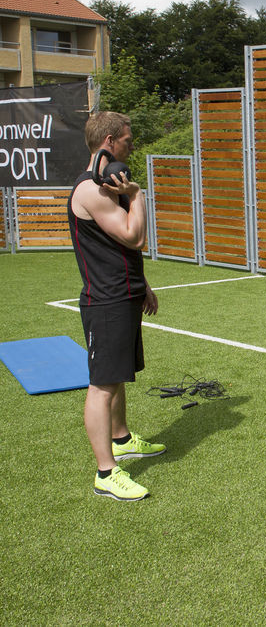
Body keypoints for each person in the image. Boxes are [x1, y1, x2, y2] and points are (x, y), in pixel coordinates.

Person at [68, 111, 164, 502]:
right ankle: (105, 473)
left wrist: (142, 285)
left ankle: (121, 438)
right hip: (105, 300)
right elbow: (132, 236)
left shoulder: (109, 184)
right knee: (102, 384)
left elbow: (116, 250)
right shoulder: (91, 191)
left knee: (117, 375)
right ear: (109, 141)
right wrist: (137, 195)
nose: (132, 144)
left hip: (123, 292)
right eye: (127, 139)